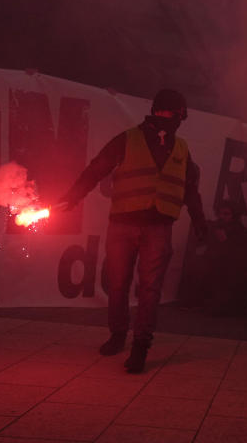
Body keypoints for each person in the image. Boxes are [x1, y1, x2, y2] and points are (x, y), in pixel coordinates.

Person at [60, 89, 207, 373]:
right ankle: (118, 334)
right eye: (171, 115)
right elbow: (96, 170)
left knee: (149, 290)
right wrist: (73, 196)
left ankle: (141, 345)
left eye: (174, 116)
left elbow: (191, 189)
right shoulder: (128, 139)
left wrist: (200, 222)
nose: (173, 121)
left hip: (159, 228)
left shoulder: (181, 148)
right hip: (123, 225)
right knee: (118, 284)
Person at [206, 199, 247, 316]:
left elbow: (241, 259)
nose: (222, 217)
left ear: (234, 215)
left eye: (226, 214)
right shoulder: (215, 228)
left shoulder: (241, 232)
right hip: (218, 277)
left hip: (233, 280)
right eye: (220, 213)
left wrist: (226, 242)